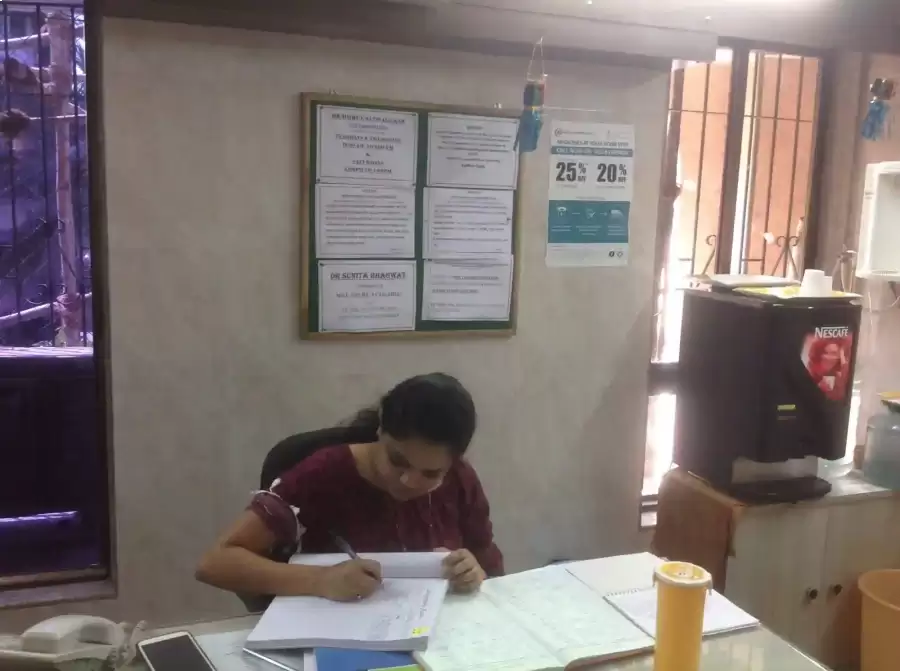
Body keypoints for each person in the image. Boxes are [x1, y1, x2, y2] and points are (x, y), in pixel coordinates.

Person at [196, 373, 503, 603]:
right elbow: (216, 562)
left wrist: (474, 573)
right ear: (381, 430)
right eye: (397, 461)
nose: (409, 481)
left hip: (433, 638)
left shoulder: (460, 479)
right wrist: (320, 580)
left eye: (431, 473)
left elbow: (489, 566)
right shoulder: (324, 474)